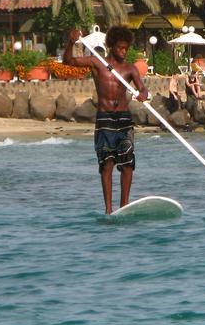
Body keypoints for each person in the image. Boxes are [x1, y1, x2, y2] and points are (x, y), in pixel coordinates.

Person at [64, 27, 149, 214]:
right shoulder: (97, 62)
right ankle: (109, 210)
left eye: (126, 48)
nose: (123, 51)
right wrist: (71, 42)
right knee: (107, 164)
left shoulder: (129, 69)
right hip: (105, 119)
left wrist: (143, 95)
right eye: (120, 48)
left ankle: (124, 207)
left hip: (124, 119)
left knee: (127, 164)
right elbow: (68, 61)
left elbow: (143, 89)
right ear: (111, 46)